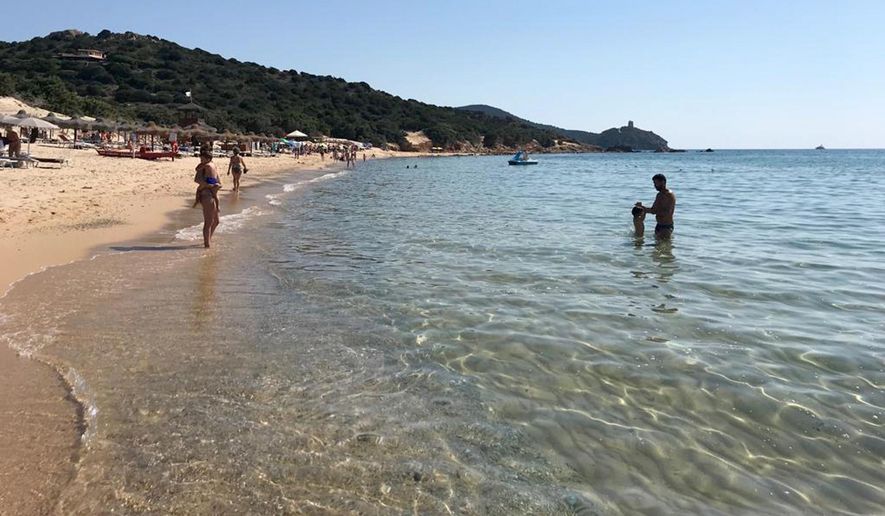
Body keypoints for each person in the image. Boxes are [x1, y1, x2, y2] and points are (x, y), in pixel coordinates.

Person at [194, 148, 221, 248]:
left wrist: (218, 185)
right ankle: (207, 245)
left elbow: (216, 178)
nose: (201, 161)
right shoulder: (203, 167)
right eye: (200, 159)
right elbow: (197, 179)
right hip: (206, 193)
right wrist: (207, 185)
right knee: (208, 221)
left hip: (213, 190)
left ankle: (208, 240)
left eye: (202, 159)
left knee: (216, 221)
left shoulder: (212, 165)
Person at [635, 173, 676, 238]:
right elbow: (653, 209)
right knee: (658, 247)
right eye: (654, 183)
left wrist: (645, 209)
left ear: (663, 182)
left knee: (662, 247)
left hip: (666, 227)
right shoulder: (659, 195)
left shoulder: (668, 195)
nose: (655, 185)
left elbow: (667, 212)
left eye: (656, 183)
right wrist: (642, 208)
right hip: (659, 225)